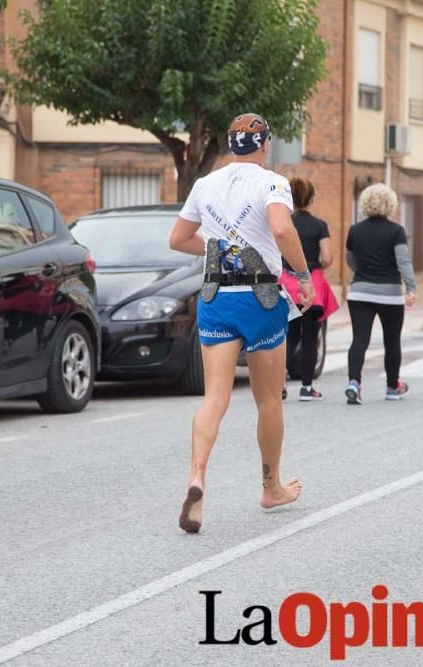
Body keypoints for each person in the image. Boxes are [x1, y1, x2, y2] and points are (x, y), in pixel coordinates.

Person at [169, 113, 314, 533]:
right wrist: (302, 276)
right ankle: (271, 486)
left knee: (214, 397)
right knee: (268, 400)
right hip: (260, 297)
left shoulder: (205, 184)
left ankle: (197, 475)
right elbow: (282, 229)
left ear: (232, 145)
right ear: (264, 144)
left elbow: (178, 239)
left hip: (216, 296)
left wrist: (221, 250)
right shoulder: (271, 183)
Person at [344, 183, 417, 405]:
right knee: (392, 341)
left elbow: (350, 259)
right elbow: (403, 261)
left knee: (359, 339)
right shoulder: (396, 231)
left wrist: (364, 272)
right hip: (390, 295)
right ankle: (392, 386)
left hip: (359, 293)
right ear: (390, 205)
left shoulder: (355, 230)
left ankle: (353, 382)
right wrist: (411, 287)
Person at [279, 176, 339, 401]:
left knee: (288, 335)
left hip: (286, 286)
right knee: (310, 337)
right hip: (311, 287)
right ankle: (306, 387)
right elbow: (327, 258)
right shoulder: (319, 226)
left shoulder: (283, 224)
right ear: (311, 199)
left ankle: (280, 384)